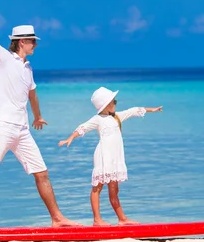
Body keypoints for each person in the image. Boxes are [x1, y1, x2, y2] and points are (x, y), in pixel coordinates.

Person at [0, 0, 80, 230]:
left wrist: (38, 116)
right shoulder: (2, 57)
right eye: (33, 41)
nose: (36, 44)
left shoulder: (28, 68)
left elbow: (32, 94)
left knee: (41, 172)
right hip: (1, 126)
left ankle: (57, 219)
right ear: (22, 42)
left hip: (22, 130)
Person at [58, 86, 162, 226]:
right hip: (103, 157)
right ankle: (97, 220)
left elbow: (133, 110)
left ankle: (122, 219)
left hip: (115, 158)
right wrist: (70, 138)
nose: (116, 103)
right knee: (97, 187)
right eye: (114, 102)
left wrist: (152, 110)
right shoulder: (98, 119)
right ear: (106, 105)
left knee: (114, 189)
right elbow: (83, 127)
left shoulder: (117, 116)